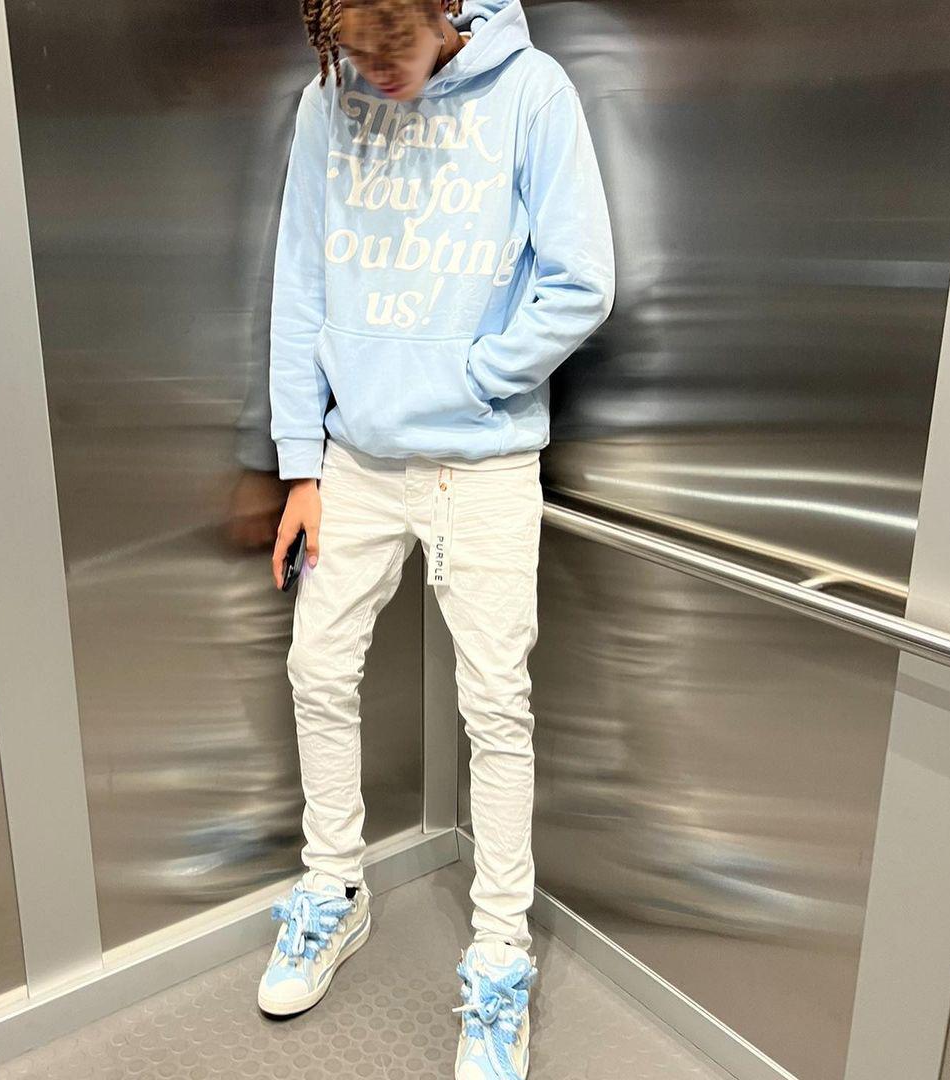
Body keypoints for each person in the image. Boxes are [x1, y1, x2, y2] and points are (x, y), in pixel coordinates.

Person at [253, 1, 614, 1076]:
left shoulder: (532, 93)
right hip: (356, 459)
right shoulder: (326, 100)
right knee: (316, 667)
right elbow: (300, 285)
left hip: (482, 461)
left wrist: (473, 379)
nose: (374, 71)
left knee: (495, 707)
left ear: (440, 6)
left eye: (391, 46)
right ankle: (336, 883)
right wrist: (300, 465)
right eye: (352, 52)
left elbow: (582, 281)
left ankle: (500, 955)